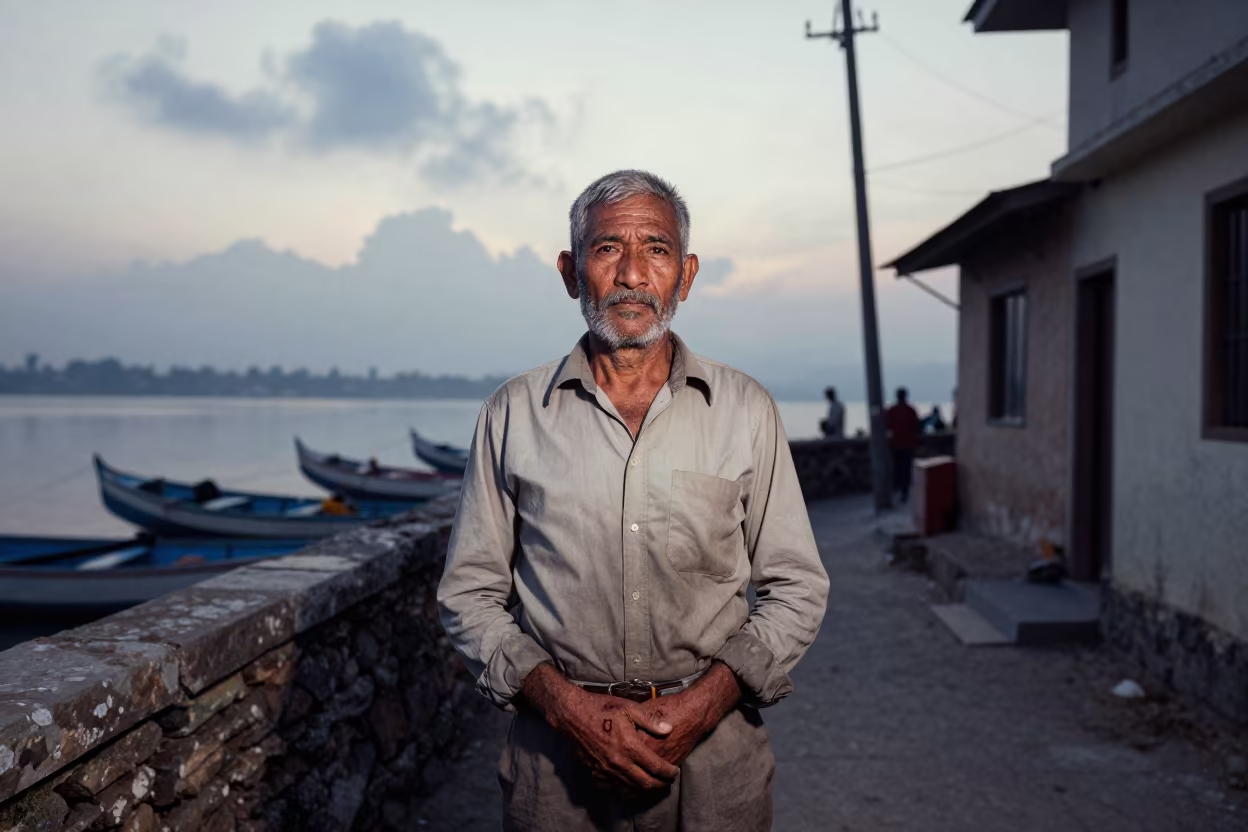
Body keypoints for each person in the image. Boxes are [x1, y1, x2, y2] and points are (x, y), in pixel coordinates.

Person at [438, 170, 829, 831]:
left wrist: (703, 705)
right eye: (607, 248)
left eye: (656, 247)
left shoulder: (745, 410)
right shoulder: (512, 414)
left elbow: (796, 586)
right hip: (555, 768)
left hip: (717, 762)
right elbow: (468, 594)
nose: (632, 273)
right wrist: (569, 710)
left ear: (686, 273)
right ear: (570, 272)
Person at [885, 387, 921, 503]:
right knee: (906, 468)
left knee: (897, 467)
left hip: (896, 444)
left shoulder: (892, 410)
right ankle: (904, 491)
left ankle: (896, 489)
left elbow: (887, 425)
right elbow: (917, 426)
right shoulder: (910, 410)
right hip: (908, 444)